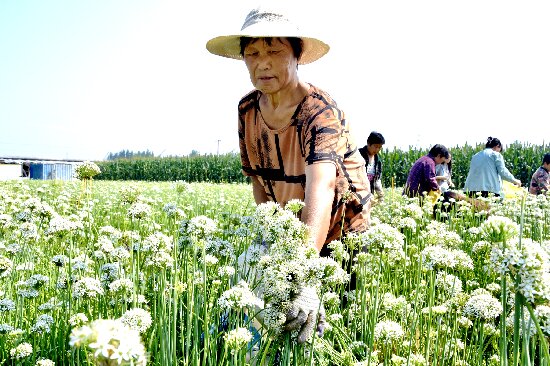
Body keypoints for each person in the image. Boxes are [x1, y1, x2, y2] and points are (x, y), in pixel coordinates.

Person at [206, 5, 372, 343]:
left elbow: (323, 187)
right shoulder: (247, 109)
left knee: (323, 329)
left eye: (273, 50)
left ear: (296, 55)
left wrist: (307, 273)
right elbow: (258, 182)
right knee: (260, 318)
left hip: (340, 232)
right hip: (291, 228)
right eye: (252, 53)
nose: (262, 62)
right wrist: (268, 242)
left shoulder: (320, 111)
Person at [359, 131, 385, 204]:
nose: (377, 150)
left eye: (380, 147)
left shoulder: (378, 161)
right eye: (376, 146)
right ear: (368, 143)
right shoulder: (358, 155)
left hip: (370, 194)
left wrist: (380, 196)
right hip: (357, 193)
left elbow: (377, 180)